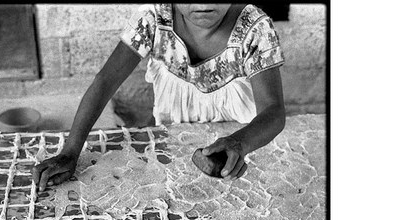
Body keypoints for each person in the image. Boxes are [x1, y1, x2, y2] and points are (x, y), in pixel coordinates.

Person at [32, 3, 286, 192]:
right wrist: (71, 150)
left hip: (242, 149)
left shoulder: (255, 27)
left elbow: (273, 112)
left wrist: (239, 143)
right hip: (173, 142)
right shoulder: (154, 18)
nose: (204, 3)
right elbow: (105, 82)